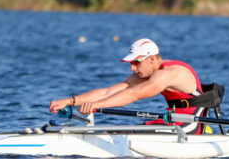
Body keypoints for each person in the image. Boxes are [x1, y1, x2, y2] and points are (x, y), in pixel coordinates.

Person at [49, 38, 208, 134]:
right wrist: (70, 101)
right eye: (131, 63)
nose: (132, 68)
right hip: (171, 121)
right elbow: (108, 92)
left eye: (136, 62)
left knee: (118, 135)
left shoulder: (168, 74)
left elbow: (133, 95)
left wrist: (95, 106)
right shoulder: (148, 72)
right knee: (116, 133)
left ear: (152, 59)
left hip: (188, 125)